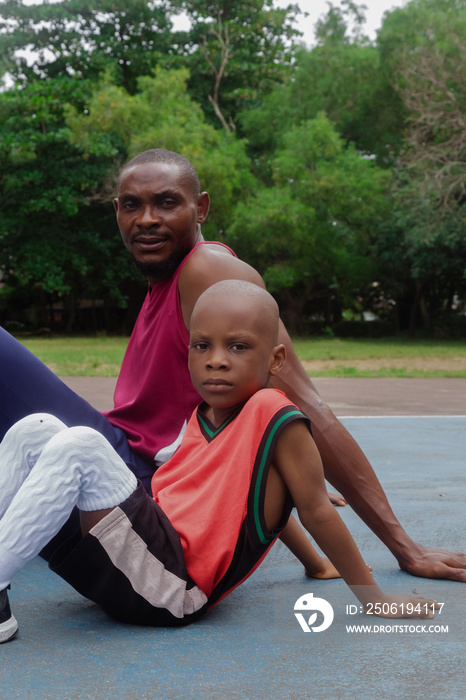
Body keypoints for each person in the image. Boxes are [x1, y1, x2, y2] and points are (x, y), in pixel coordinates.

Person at [0, 148, 464, 582]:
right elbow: (224, 423)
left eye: (165, 203)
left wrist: (403, 546)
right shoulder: (165, 276)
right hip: (132, 457)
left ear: (200, 208)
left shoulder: (209, 272)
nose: (145, 220)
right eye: (130, 205)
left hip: (144, 478)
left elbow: (304, 406)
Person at [0, 281, 440, 643]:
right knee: (34, 429)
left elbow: (315, 510)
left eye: (238, 347)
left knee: (80, 445)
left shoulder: (273, 409)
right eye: (202, 346)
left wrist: (374, 599)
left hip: (172, 587)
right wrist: (314, 565)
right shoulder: (202, 417)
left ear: (275, 358)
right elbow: (250, 506)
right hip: (133, 566)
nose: (216, 360)